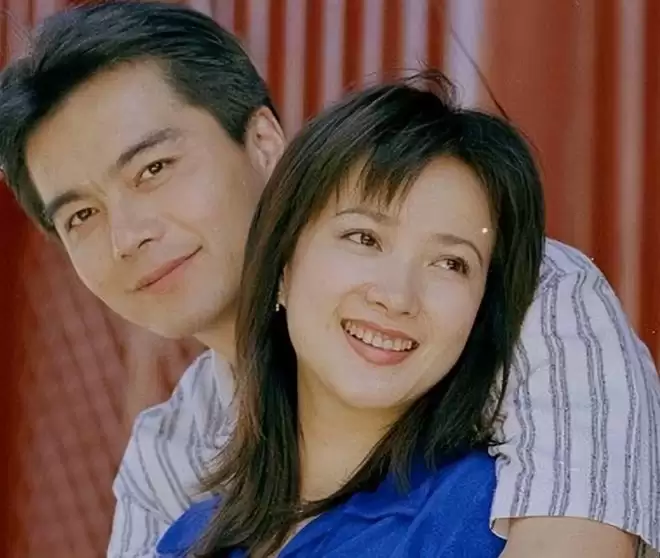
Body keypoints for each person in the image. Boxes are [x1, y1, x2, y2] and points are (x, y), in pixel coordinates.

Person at [0, 2, 656, 557]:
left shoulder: (530, 299)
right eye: (81, 215)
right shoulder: (167, 457)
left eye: (154, 169)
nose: (127, 235)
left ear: (263, 142)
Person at [156, 69, 546, 558]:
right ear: (283, 265)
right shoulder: (190, 538)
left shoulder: (477, 514)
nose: (397, 296)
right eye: (365, 238)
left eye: (451, 263)